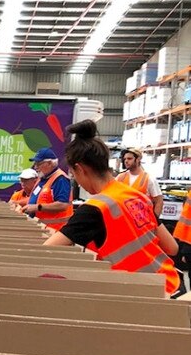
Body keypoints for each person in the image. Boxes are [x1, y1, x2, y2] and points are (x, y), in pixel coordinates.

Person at [44, 120, 179, 296]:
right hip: (171, 285)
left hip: (147, 297)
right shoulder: (137, 196)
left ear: (80, 169)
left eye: (74, 175)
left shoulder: (95, 208)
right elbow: (172, 247)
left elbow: (47, 251)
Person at [21, 147, 73, 230]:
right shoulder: (43, 178)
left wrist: (37, 207)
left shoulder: (60, 179)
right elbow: (37, 199)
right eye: (35, 164)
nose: (35, 167)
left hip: (54, 231)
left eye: (38, 164)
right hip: (42, 229)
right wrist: (19, 203)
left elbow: (63, 205)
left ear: (49, 163)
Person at [117, 148, 163, 217]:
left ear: (138, 159)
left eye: (129, 159)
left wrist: (155, 221)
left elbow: (159, 201)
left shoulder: (149, 179)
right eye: (125, 159)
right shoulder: (120, 177)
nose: (126, 161)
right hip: (124, 220)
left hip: (142, 221)